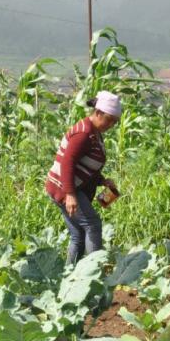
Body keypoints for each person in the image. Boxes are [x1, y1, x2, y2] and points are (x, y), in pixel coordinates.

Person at [46, 91, 121, 265]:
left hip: (65, 186)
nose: (111, 125)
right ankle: (94, 273)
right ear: (98, 112)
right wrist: (70, 195)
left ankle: (69, 276)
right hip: (64, 187)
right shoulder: (84, 133)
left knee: (78, 234)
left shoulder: (93, 131)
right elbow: (67, 163)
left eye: (114, 122)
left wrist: (102, 180)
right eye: (109, 119)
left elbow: (84, 163)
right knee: (92, 224)